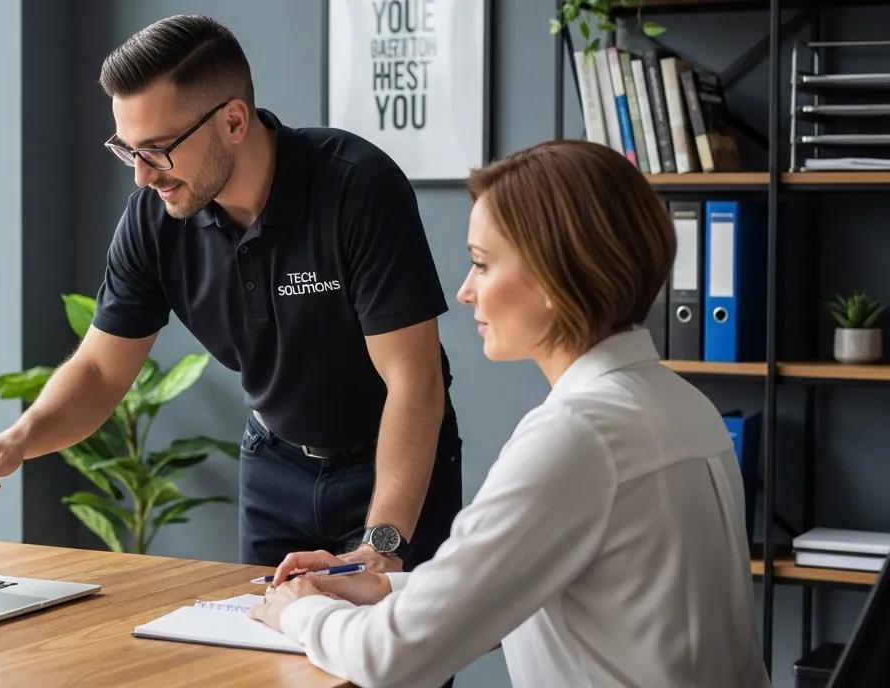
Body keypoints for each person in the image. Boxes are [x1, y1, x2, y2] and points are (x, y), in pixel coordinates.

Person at [0, 14, 462, 576]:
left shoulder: (355, 187)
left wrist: (383, 544)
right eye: (128, 151)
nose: (142, 177)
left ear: (232, 121)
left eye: (157, 149)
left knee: (390, 661)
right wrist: (19, 438)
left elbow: (412, 381)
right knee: (261, 658)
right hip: (274, 466)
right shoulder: (154, 220)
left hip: (393, 467)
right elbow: (102, 371)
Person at [249, 140, 768, 688]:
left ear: (555, 275)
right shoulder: (682, 406)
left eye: (481, 264)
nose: (465, 291)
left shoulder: (578, 437)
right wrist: (382, 588)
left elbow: (390, 658)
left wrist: (298, 611)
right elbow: (541, 589)